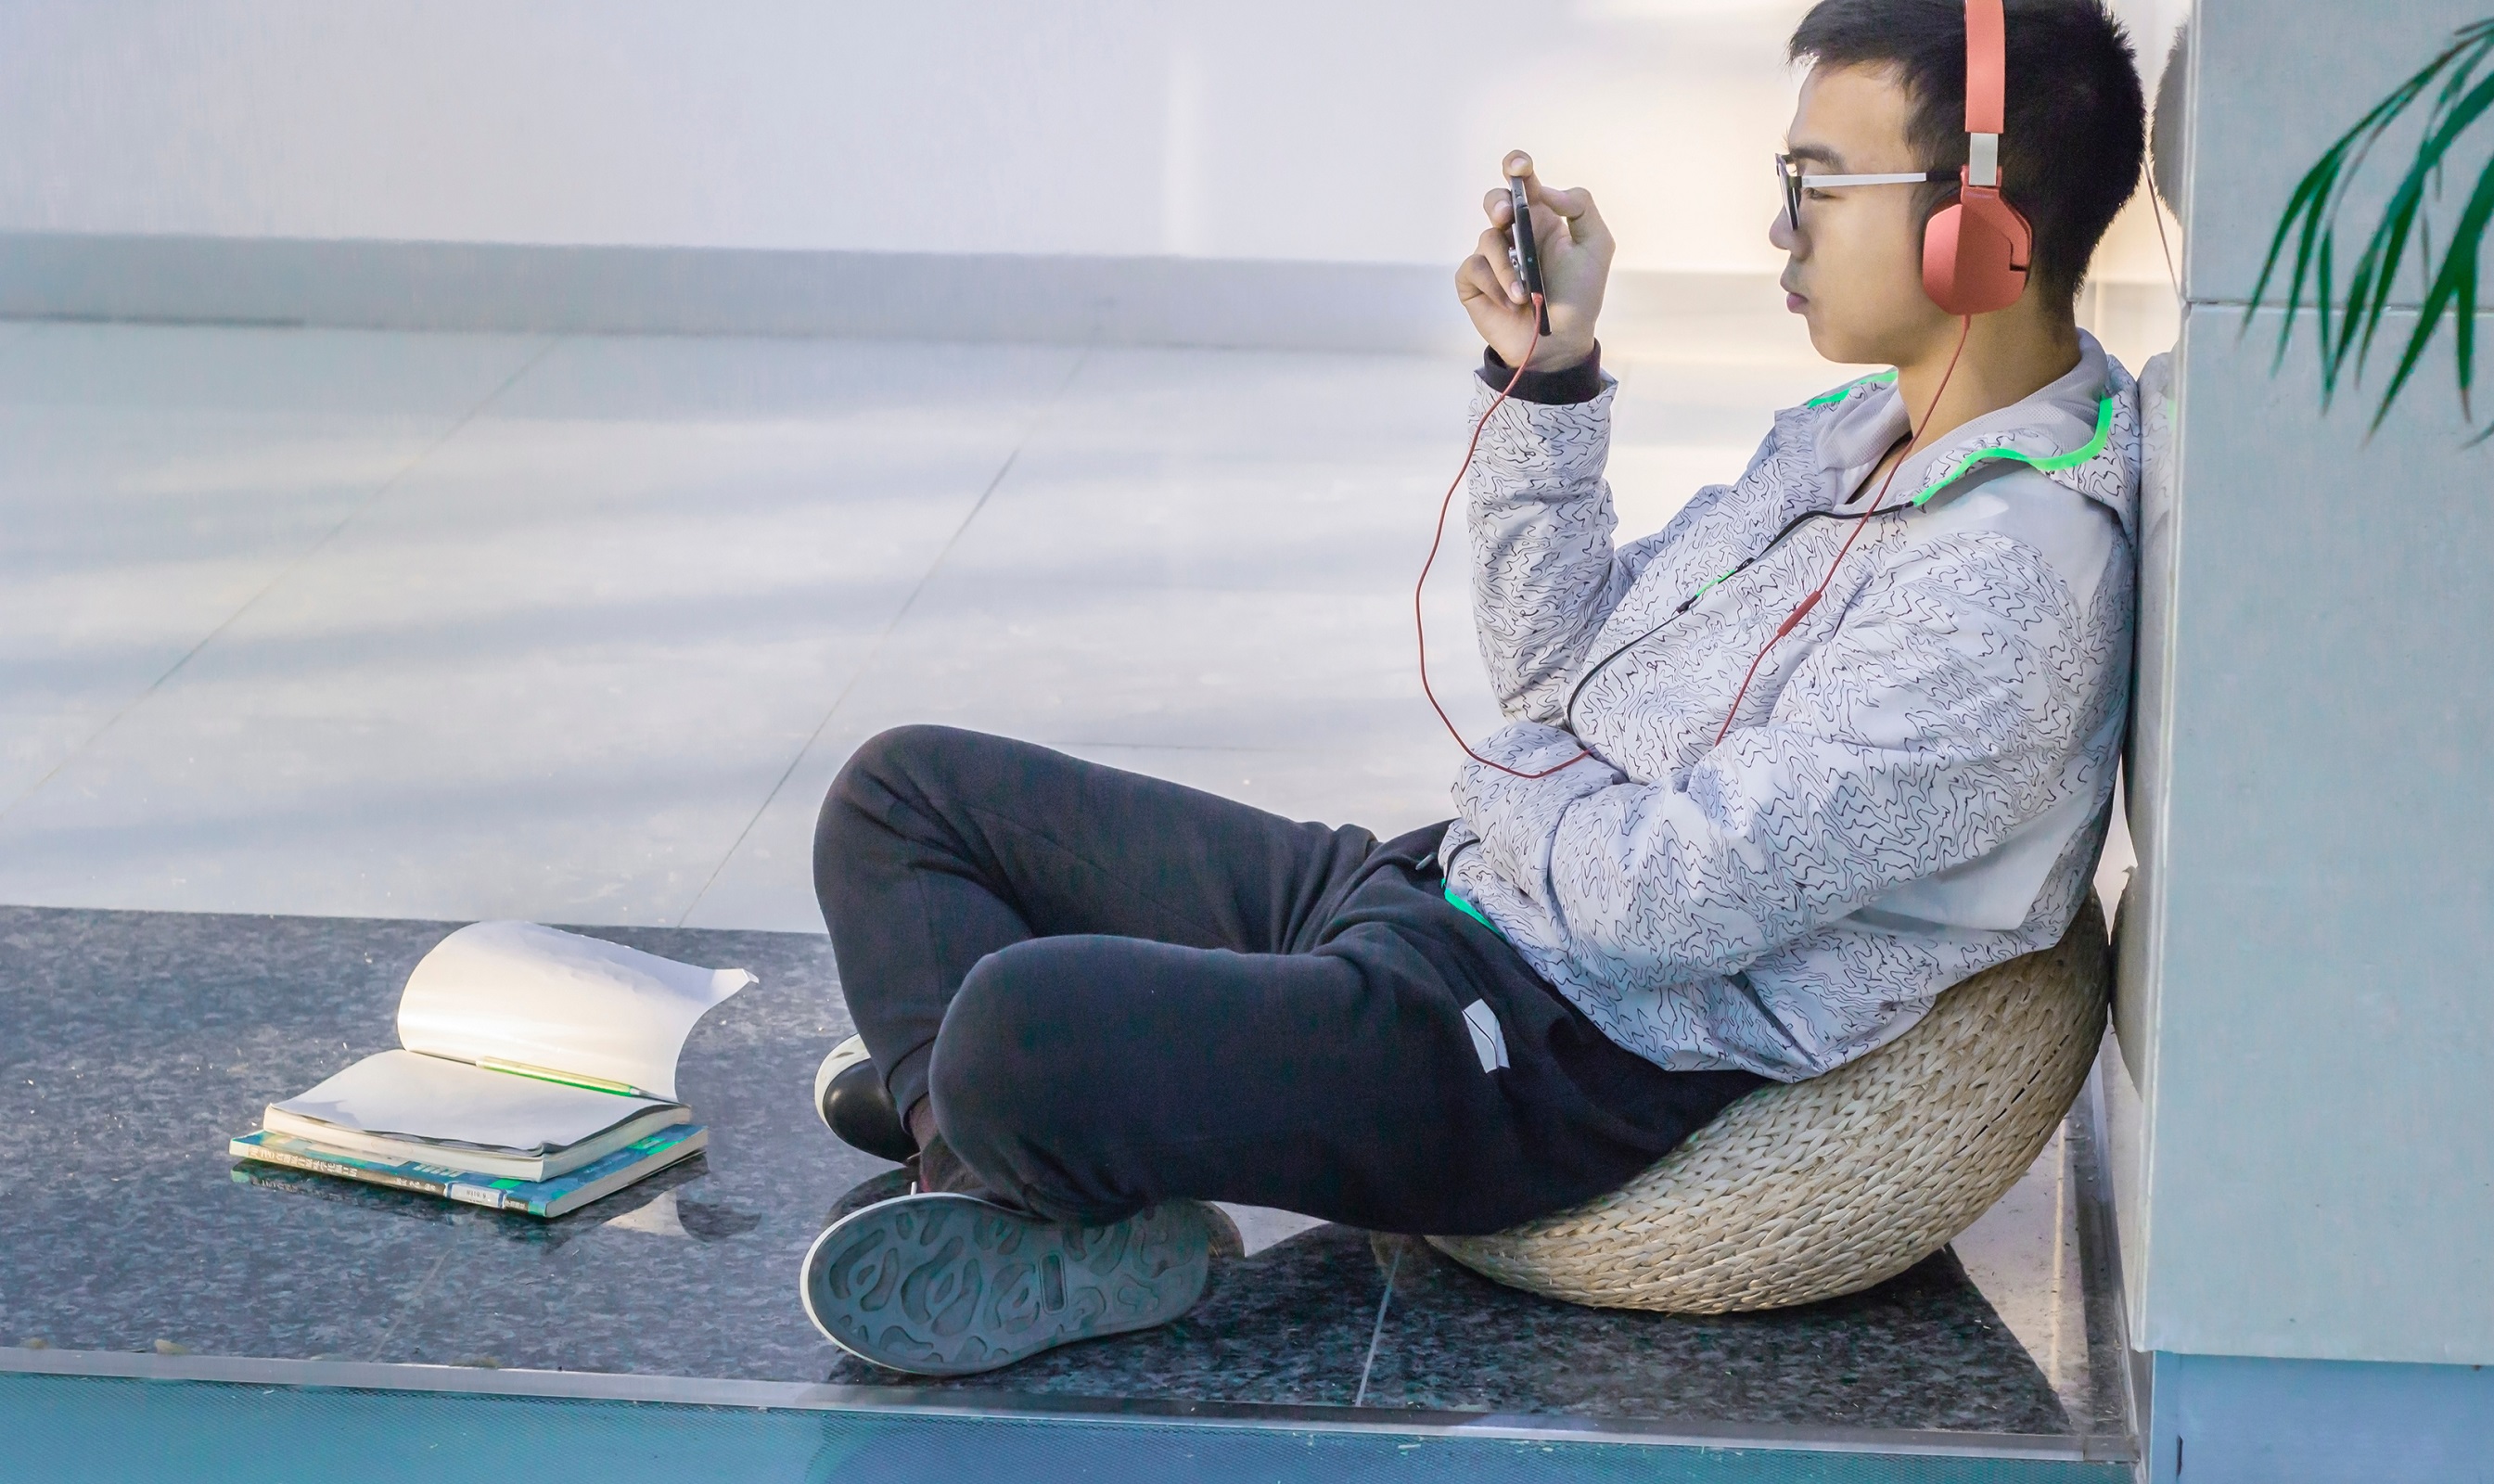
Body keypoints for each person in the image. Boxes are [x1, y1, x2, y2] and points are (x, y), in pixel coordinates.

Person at [799, 0, 2148, 1378]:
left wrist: (1521, 771)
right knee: (900, 798)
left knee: (1020, 1025)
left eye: (1815, 185)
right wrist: (1545, 376)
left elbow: (1663, 902)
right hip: (1451, 896)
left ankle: (975, 1128)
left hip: (1543, 1049)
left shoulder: (2006, 588)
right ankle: (975, 1159)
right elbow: (1560, 670)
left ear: (1981, 229)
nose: (1777, 231)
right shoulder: (1849, 437)